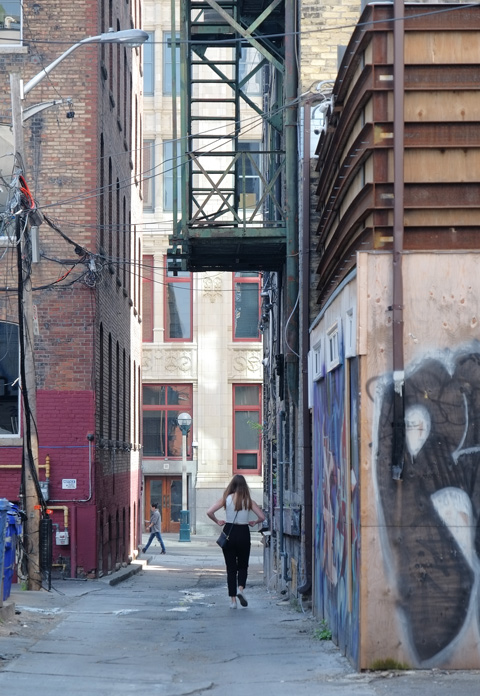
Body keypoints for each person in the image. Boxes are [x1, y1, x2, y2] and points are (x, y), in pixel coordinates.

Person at [207, 474, 265, 609]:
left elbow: (209, 512)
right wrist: (254, 522)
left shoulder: (226, 499)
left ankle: (233, 601)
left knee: (231, 568)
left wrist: (218, 521)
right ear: (245, 486)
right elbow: (262, 516)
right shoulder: (249, 501)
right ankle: (241, 589)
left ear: (232, 485)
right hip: (244, 532)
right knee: (243, 565)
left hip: (229, 532)